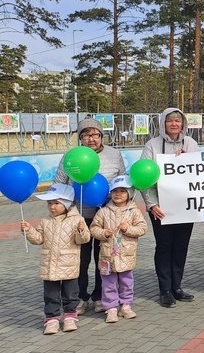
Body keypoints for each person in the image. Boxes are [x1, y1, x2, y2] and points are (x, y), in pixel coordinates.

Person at [54, 117, 126, 315]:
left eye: (94, 134)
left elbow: (123, 182)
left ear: (101, 136)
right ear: (80, 139)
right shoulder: (71, 156)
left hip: (106, 217)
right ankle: (79, 297)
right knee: (80, 259)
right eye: (85, 135)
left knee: (103, 257)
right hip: (79, 218)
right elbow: (59, 185)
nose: (90, 139)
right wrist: (65, 212)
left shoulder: (114, 154)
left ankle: (101, 296)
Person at [141, 108, 201, 308]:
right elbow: (144, 178)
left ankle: (177, 286)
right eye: (170, 121)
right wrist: (152, 204)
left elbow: (200, 172)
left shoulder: (191, 144)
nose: (174, 124)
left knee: (181, 247)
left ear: (183, 123)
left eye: (178, 120)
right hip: (161, 208)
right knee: (164, 247)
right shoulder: (152, 145)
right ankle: (164, 289)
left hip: (185, 207)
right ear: (162, 124)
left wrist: (186, 160)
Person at [21, 183, 90, 335]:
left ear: (66, 204)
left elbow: (83, 239)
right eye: (49, 203)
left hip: (68, 264)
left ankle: (70, 316)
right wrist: (29, 231)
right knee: (50, 294)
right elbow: (39, 239)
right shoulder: (46, 221)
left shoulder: (76, 219)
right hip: (49, 265)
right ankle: (51, 319)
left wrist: (81, 230)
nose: (52, 207)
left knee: (70, 293)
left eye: (56, 203)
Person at [89, 175, 148, 323]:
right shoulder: (103, 211)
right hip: (107, 256)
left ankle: (126, 305)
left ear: (129, 193)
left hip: (127, 255)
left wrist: (127, 228)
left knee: (127, 282)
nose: (118, 194)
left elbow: (142, 228)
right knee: (108, 283)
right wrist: (103, 233)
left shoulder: (133, 211)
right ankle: (111, 308)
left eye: (122, 191)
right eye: (115, 191)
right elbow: (93, 228)